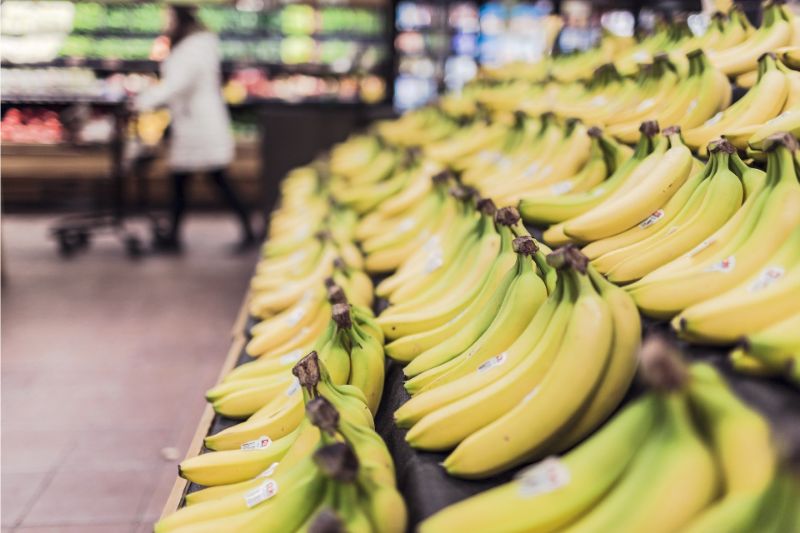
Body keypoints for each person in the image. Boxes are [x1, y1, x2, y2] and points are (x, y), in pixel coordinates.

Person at [136, 4, 255, 252]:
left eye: (168, 17)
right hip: (193, 122)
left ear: (179, 18)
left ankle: (246, 230)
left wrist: (144, 100)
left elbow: (178, 84)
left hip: (199, 124)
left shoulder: (193, 48)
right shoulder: (197, 45)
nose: (165, 22)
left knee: (213, 179)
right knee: (184, 180)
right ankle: (175, 236)